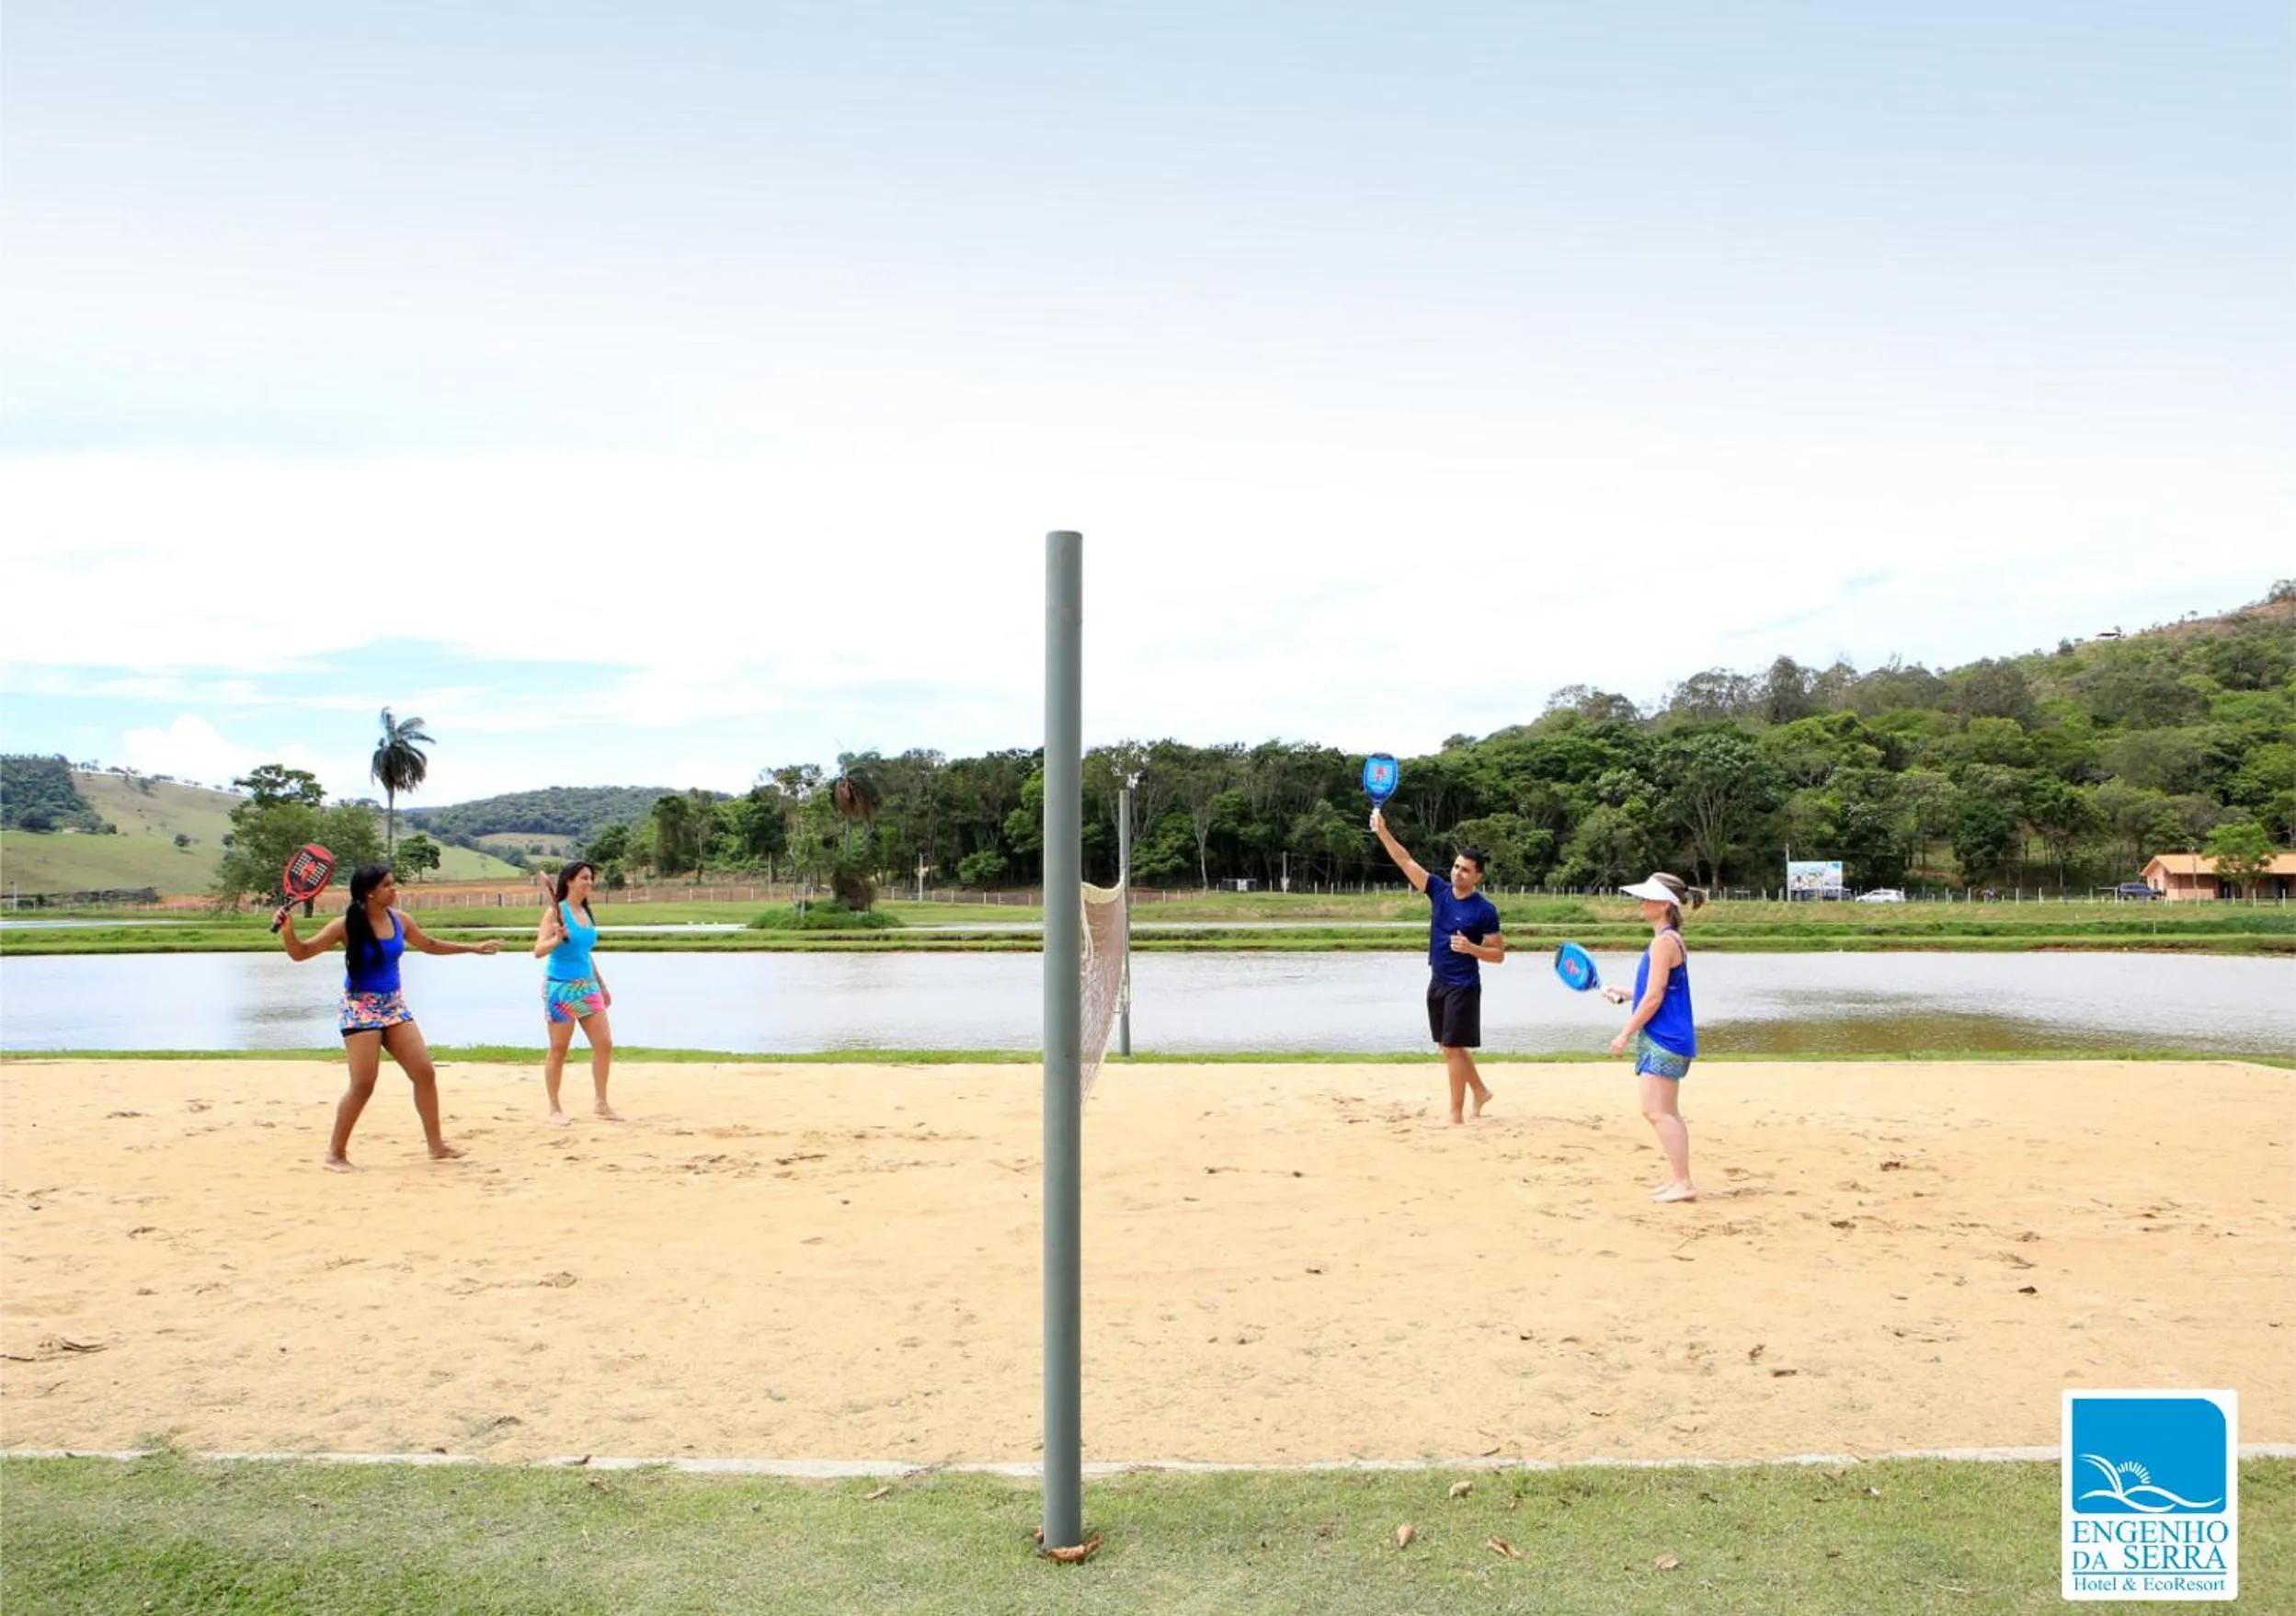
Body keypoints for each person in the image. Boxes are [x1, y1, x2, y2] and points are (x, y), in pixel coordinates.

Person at [275, 863, 500, 1171]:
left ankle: (436, 1146)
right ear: (370, 892)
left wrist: (472, 948)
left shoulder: (401, 920)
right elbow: (300, 953)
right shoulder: (345, 925)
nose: (395, 890)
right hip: (360, 1008)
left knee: (425, 1072)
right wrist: (288, 932)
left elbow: (430, 945)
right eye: (388, 886)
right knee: (363, 1084)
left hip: (394, 1005)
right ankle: (335, 1155)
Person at [1371, 810, 1506, 1122]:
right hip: (1438, 980)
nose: (1458, 873)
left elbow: (1499, 953)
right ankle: (1481, 1091)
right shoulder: (1439, 891)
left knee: (1451, 1046)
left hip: (1463, 986)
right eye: (1457, 866)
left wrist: (1472, 949)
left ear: (1477, 876)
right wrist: (1382, 832)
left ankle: (1455, 1114)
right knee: (1449, 1047)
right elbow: (1405, 861)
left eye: (1466, 870)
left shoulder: (1484, 910)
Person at [1603, 871, 1705, 1202]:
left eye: (1647, 899)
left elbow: (1655, 997)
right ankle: (1679, 1178)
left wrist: (1624, 1034)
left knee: (1656, 1111)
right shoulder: (1669, 939)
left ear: (1664, 905)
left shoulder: (1663, 943)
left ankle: (1684, 1183)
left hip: (1665, 1038)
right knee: (1666, 1111)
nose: (1642, 903)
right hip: (1670, 1036)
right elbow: (1655, 991)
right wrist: (1626, 993)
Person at [532, 862, 620, 1125]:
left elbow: (584, 953)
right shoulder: (555, 912)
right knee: (559, 1049)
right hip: (561, 988)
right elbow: (538, 950)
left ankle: (601, 1103)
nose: (589, 882)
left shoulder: (585, 912)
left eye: (591, 878)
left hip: (587, 986)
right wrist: (557, 939)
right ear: (569, 881)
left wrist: (601, 985)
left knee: (604, 1043)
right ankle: (555, 1108)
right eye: (584, 878)